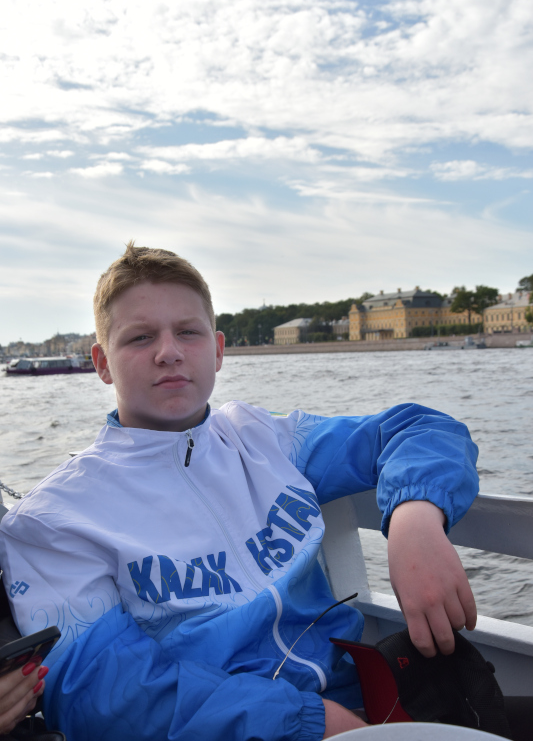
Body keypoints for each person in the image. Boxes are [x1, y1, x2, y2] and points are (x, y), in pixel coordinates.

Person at [0, 244, 479, 741]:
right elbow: (105, 693)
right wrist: (307, 721)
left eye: (188, 332)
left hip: (367, 697)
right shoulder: (53, 521)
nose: (169, 352)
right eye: (141, 337)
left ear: (218, 350)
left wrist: (414, 520)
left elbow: (418, 429)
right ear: (102, 363)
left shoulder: (265, 440)